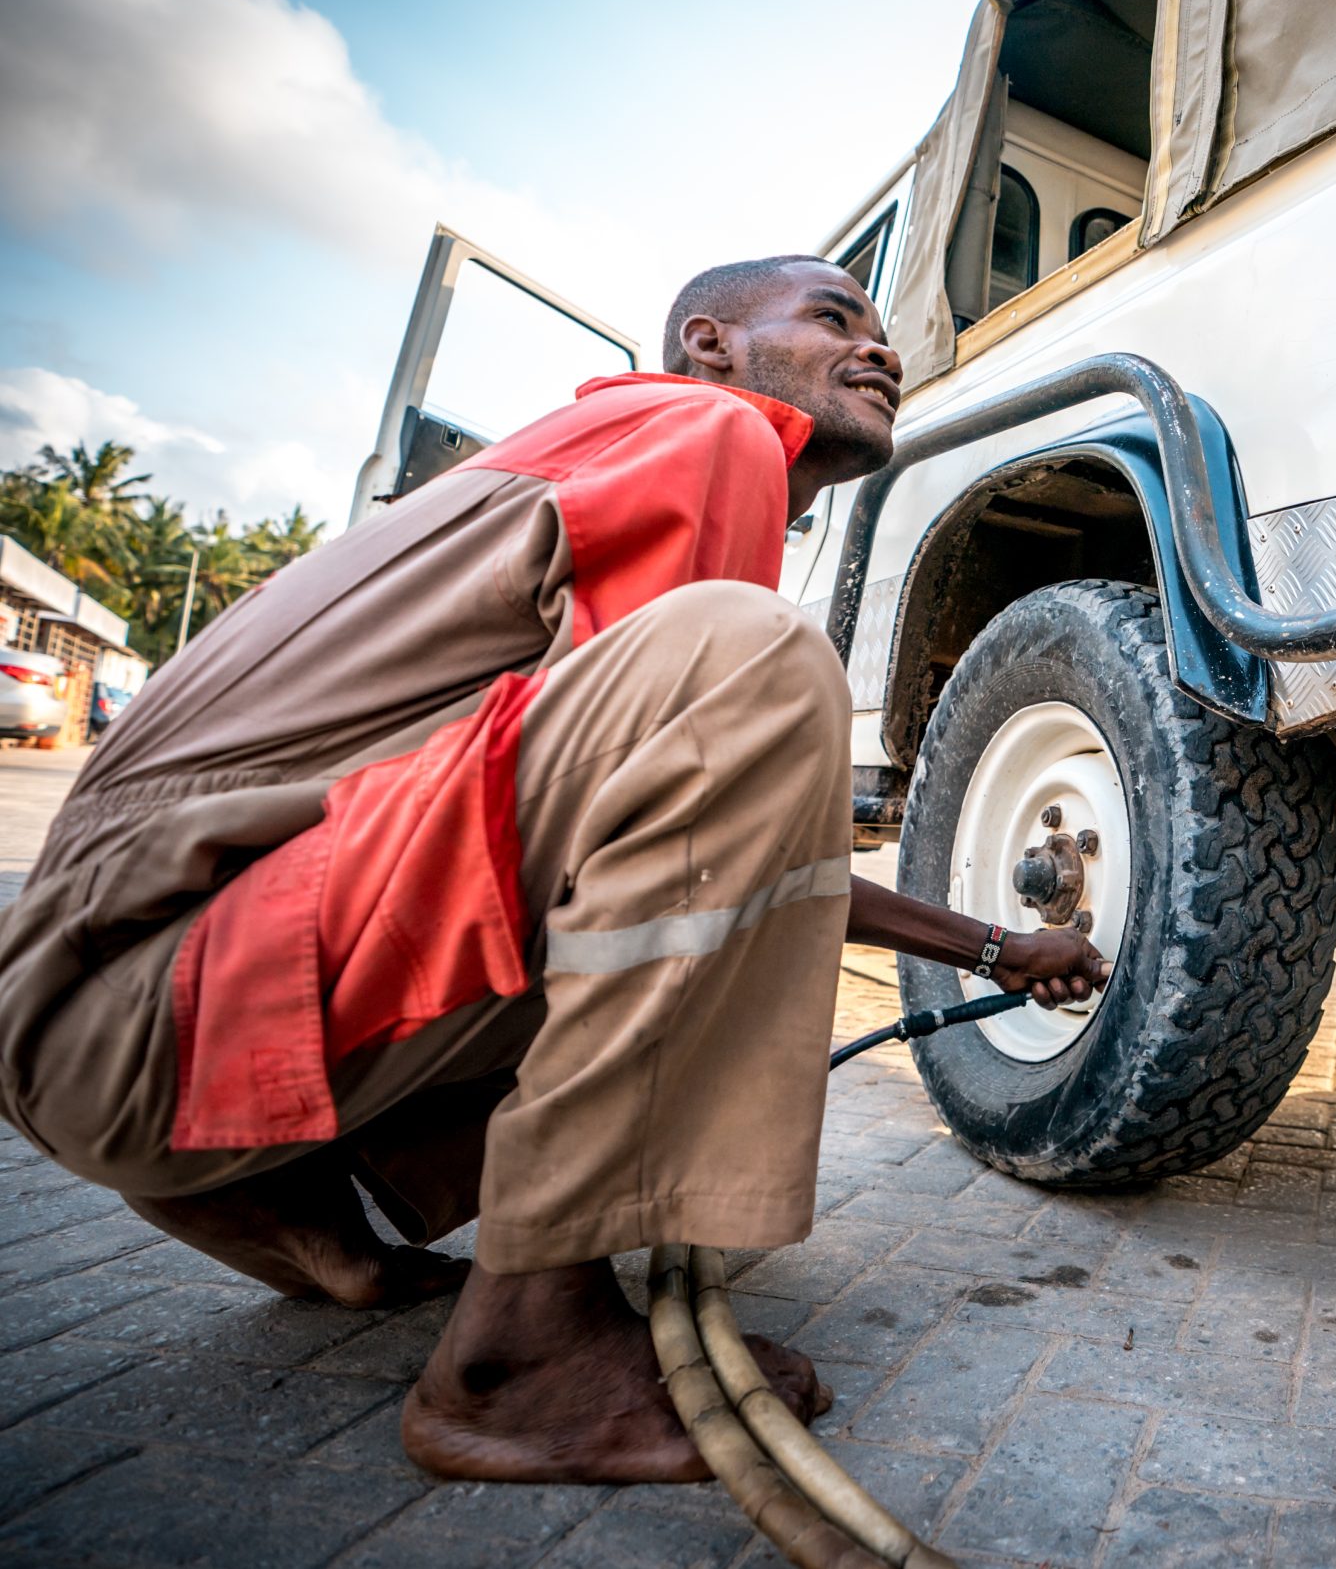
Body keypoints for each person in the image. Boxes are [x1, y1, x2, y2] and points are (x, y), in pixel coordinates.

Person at [0, 256, 1106, 1483]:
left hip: (105, 1020)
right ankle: (524, 1357)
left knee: (725, 718)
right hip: (160, 1004)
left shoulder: (583, 458)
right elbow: (687, 799)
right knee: (754, 662)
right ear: (709, 345)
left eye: (883, 334)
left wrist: (995, 949)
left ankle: (302, 1208)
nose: (881, 352)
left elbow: (688, 842)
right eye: (836, 318)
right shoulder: (707, 429)